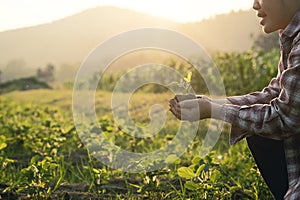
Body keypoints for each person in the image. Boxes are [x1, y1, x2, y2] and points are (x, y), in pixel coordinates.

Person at [169, 0, 300, 199]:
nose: (255, 5)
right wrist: (211, 103)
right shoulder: (292, 35)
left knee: (260, 125)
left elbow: (284, 118)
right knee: (256, 127)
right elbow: (275, 93)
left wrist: (212, 110)